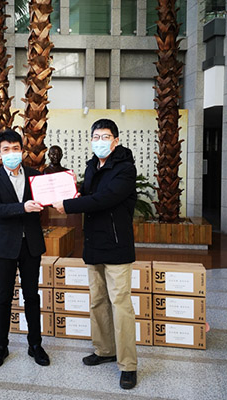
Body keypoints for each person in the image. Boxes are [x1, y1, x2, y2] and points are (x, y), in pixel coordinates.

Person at [52, 118, 138, 390]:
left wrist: (68, 205)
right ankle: (104, 350)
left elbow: (105, 199)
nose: (100, 141)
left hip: (117, 245)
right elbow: (86, 195)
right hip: (93, 243)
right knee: (98, 301)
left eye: (105, 137)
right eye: (96, 137)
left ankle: (128, 365)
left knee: (121, 305)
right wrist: (65, 193)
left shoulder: (125, 169)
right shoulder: (91, 166)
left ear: (116, 140)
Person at [0, 128, 50, 369]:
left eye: (15, 148)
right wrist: (22, 207)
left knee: (31, 296)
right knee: (4, 297)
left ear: (22, 151)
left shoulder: (35, 176)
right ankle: (0, 346)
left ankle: (35, 345)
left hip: (31, 244)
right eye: (6, 150)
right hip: (5, 246)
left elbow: (46, 201)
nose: (11, 153)